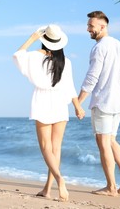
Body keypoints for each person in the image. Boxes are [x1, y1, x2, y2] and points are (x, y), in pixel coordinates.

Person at [13, 24, 85, 202]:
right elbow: (70, 87)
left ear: (44, 41)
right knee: (56, 148)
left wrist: (32, 38)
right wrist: (77, 106)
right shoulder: (66, 61)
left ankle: (60, 180)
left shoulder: (35, 57)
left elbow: (17, 55)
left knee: (46, 147)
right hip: (61, 102)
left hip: (43, 101)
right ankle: (47, 188)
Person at [78, 11, 120, 197]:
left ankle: (111, 187)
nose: (88, 30)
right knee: (110, 141)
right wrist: (117, 93)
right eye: (88, 26)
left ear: (103, 26)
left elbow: (92, 77)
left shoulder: (99, 48)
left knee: (103, 143)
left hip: (103, 103)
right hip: (119, 102)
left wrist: (78, 102)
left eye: (91, 26)